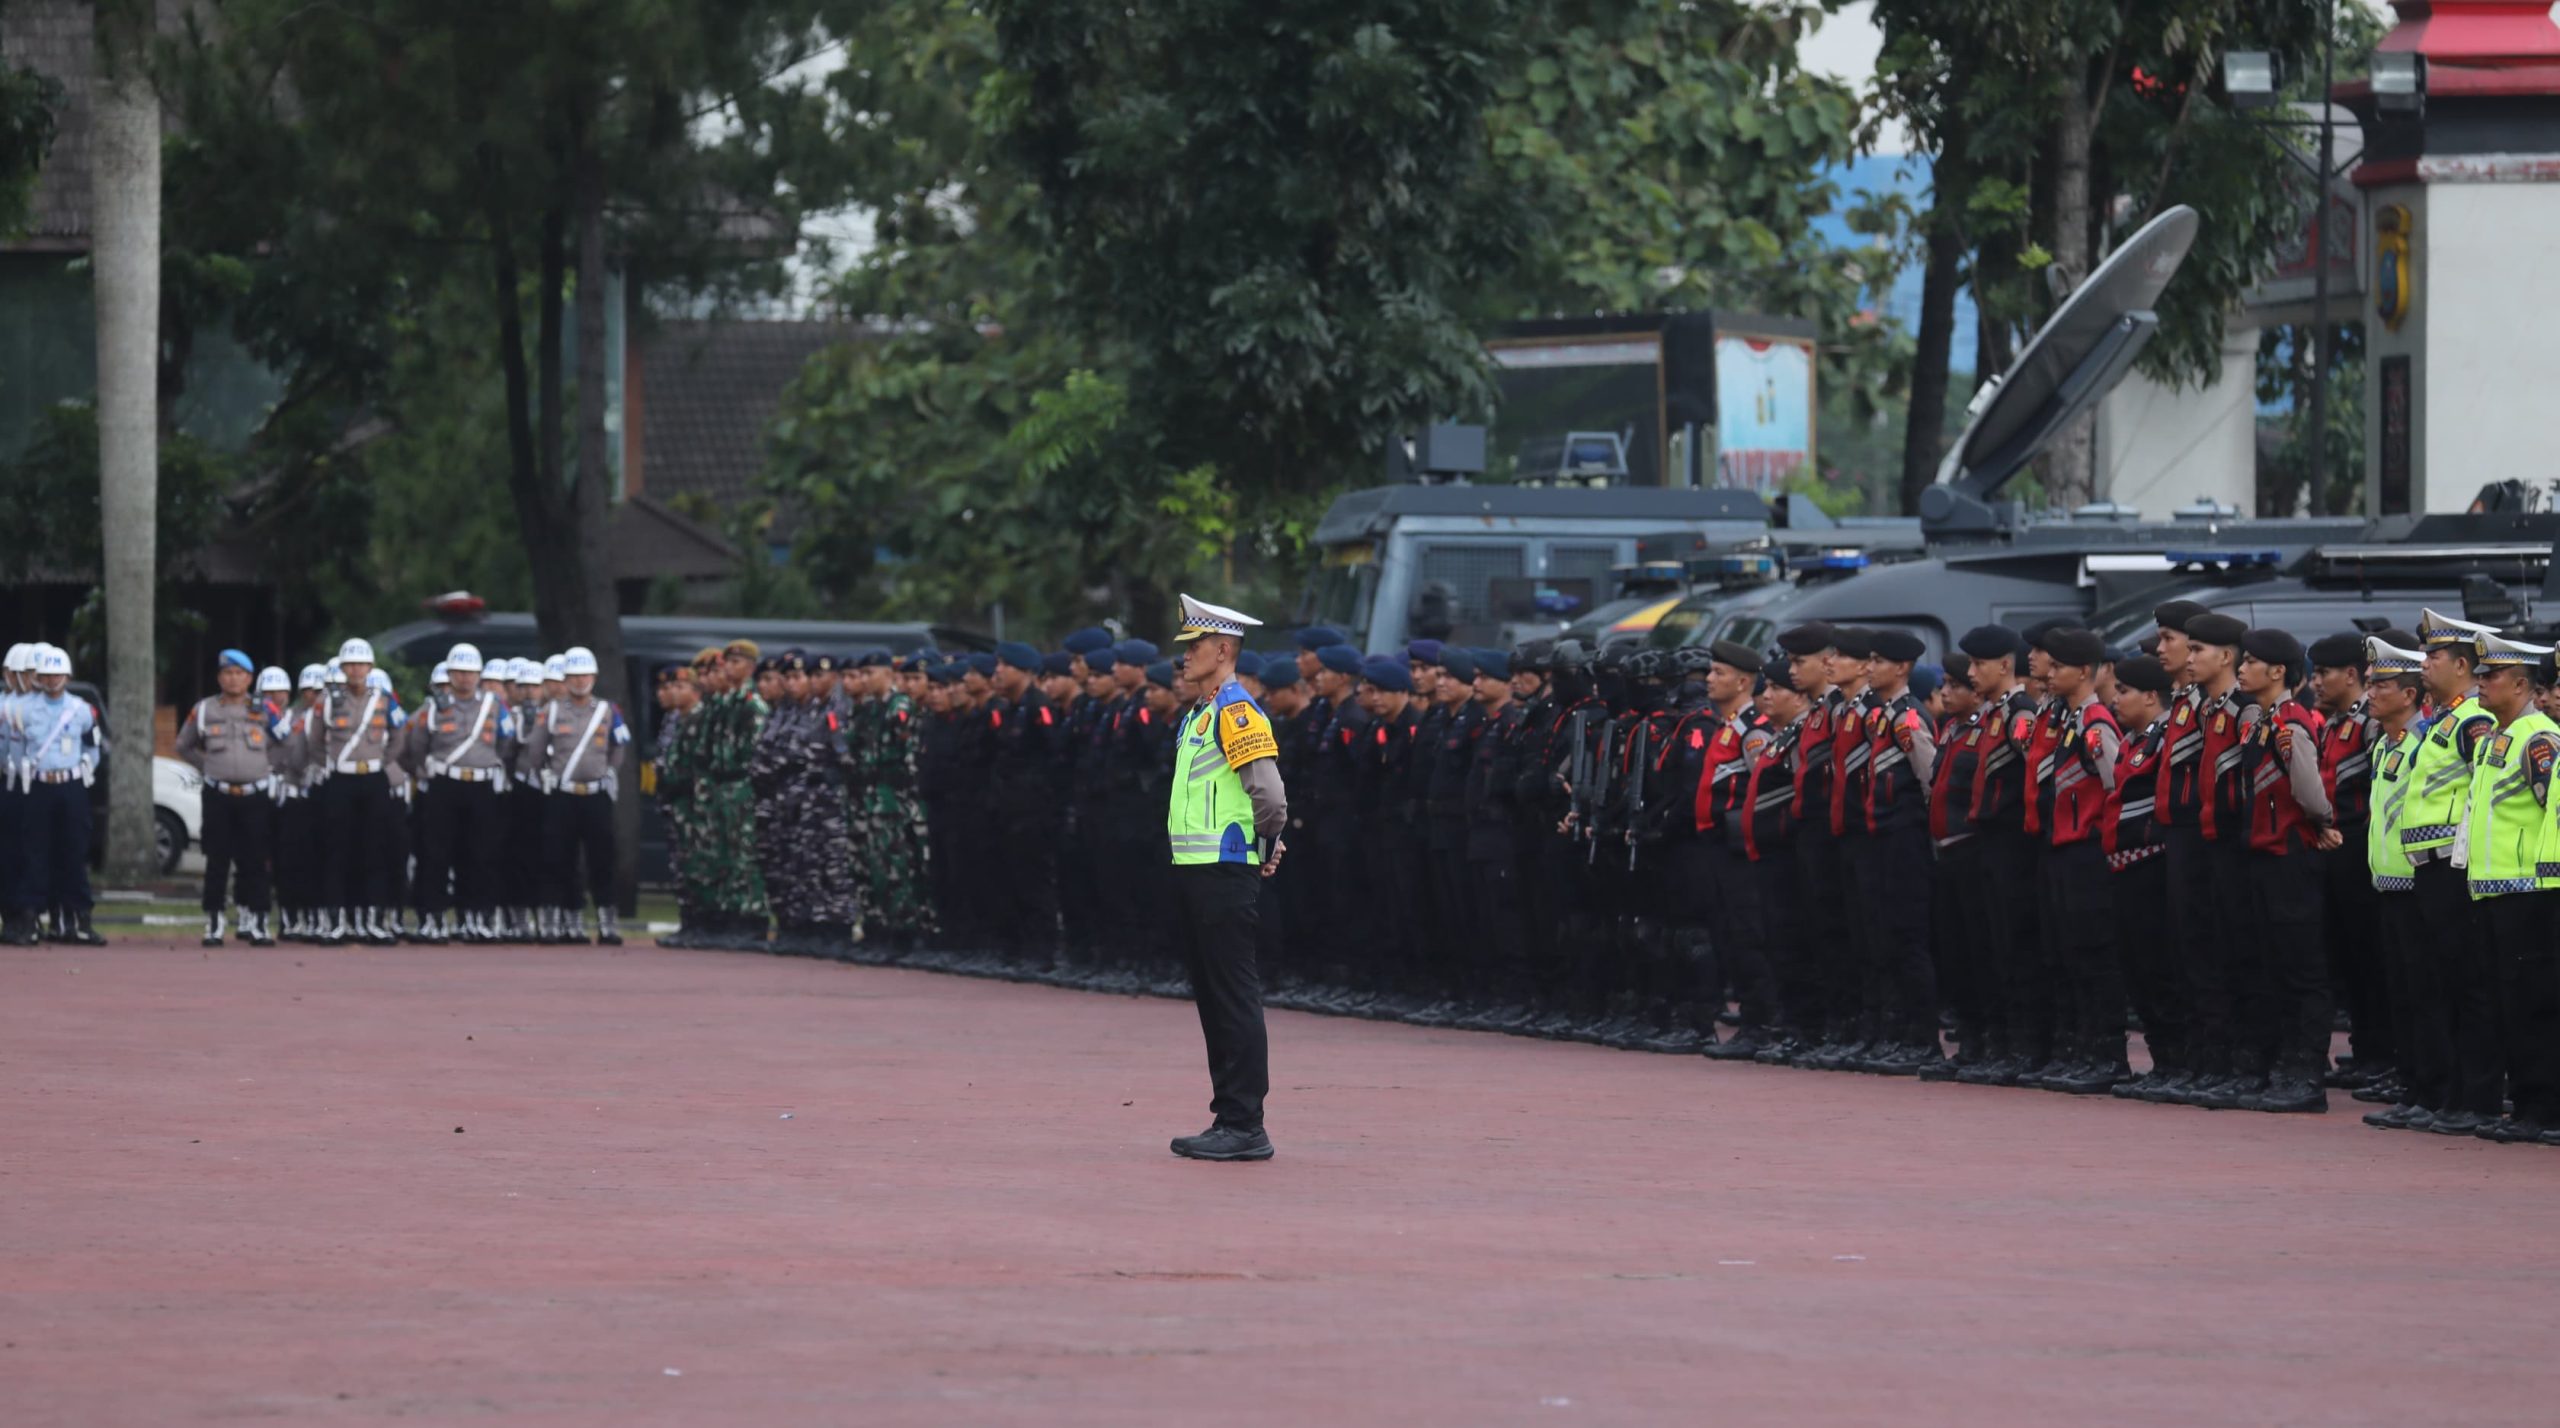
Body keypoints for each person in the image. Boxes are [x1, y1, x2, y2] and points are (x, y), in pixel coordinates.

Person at [1163, 594, 1289, 1163]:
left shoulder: (1236, 711)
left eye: (1193, 647)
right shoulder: (1200, 712)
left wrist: (1266, 842)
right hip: (1197, 871)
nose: (1184, 657)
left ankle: (1245, 1122)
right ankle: (1228, 1116)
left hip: (1223, 870)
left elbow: (1269, 794)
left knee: (1233, 995)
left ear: (1223, 649)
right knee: (1213, 996)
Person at [2458, 631, 2560, 1144]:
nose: (2481, 683)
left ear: (2521, 684)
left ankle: (2541, 1106)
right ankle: (2524, 1103)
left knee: (2533, 1004)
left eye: (2490, 676)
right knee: (2505, 1003)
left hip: (2528, 891)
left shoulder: (2538, 738)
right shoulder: (2497, 738)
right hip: (2493, 889)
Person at [400, 642, 517, 945]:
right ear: (449, 674)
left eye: (470, 672)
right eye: (459, 672)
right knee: (436, 854)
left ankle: (476, 918)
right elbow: (416, 744)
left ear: (479, 674)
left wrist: (487, 764)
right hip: (444, 784)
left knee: (480, 854)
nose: (465, 678)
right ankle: (434, 919)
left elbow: (506, 743)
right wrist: (427, 770)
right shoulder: (432, 707)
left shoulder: (494, 707)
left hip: (481, 785)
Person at [301, 638, 406, 946]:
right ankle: (336, 921)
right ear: (343, 668)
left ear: (371, 668)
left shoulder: (385, 699)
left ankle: (372, 920)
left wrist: (382, 762)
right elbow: (314, 740)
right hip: (340, 779)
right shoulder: (327, 700)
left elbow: (399, 734)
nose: (356, 670)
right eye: (351, 665)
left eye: (362, 664)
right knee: (337, 849)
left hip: (374, 778)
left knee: (375, 849)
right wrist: (331, 764)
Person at [177, 648, 282, 947]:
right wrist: (208, 767)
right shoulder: (205, 710)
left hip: (255, 794)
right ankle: (214, 921)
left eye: (239, 674)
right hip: (218, 794)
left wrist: (265, 767)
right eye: (227, 673)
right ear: (219, 677)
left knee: (255, 859)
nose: (233, 679)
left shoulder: (265, 709)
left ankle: (258, 919)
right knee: (217, 858)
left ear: (249, 679)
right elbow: (183, 745)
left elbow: (286, 743)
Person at [533, 646, 630, 944]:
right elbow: (536, 749)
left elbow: (619, 745)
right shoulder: (551, 711)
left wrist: (611, 772)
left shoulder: (608, 710)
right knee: (557, 858)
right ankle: (557, 919)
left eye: (584, 674)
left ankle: (607, 921)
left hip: (595, 794)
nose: (579, 681)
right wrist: (544, 773)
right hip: (562, 793)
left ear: (595, 676)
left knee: (603, 857)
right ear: (565, 678)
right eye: (573, 676)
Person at [10, 645, 104, 946]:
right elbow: (14, 745)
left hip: (70, 785)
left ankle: (78, 920)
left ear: (68, 675)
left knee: (74, 852)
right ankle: (30, 920)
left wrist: (88, 764)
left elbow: (93, 744)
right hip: (37, 785)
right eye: (47, 675)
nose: (52, 680)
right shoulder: (23, 709)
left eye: (58, 674)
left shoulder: (80, 709)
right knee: (35, 853)